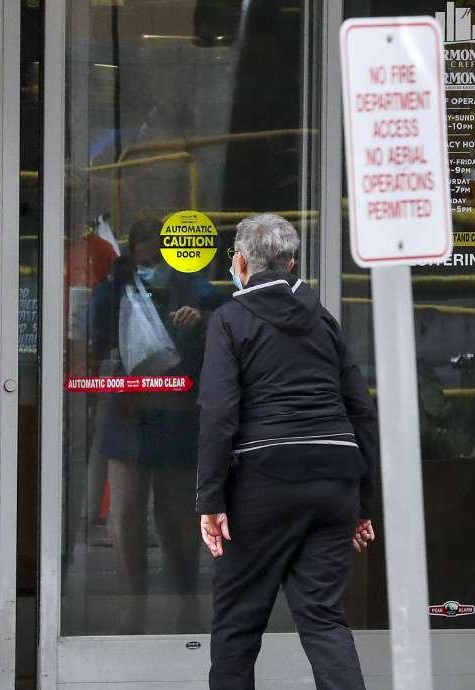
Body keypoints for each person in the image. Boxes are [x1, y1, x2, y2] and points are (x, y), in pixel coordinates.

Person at [196, 213, 378, 689]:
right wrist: (363, 503)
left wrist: (211, 501)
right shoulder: (324, 321)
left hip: (264, 483)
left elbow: (219, 414)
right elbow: (361, 410)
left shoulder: (230, 321)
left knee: (237, 623)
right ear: (293, 263)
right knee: (323, 617)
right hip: (335, 482)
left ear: (239, 261)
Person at [89, 218, 226, 633]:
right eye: (142, 242)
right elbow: (97, 339)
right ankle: (133, 612)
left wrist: (200, 319)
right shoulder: (114, 288)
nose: (150, 251)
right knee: (127, 515)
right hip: (130, 413)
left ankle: (185, 608)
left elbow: (222, 313)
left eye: (158, 243)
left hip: (176, 414)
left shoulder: (195, 287)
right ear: (132, 247)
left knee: (178, 518)